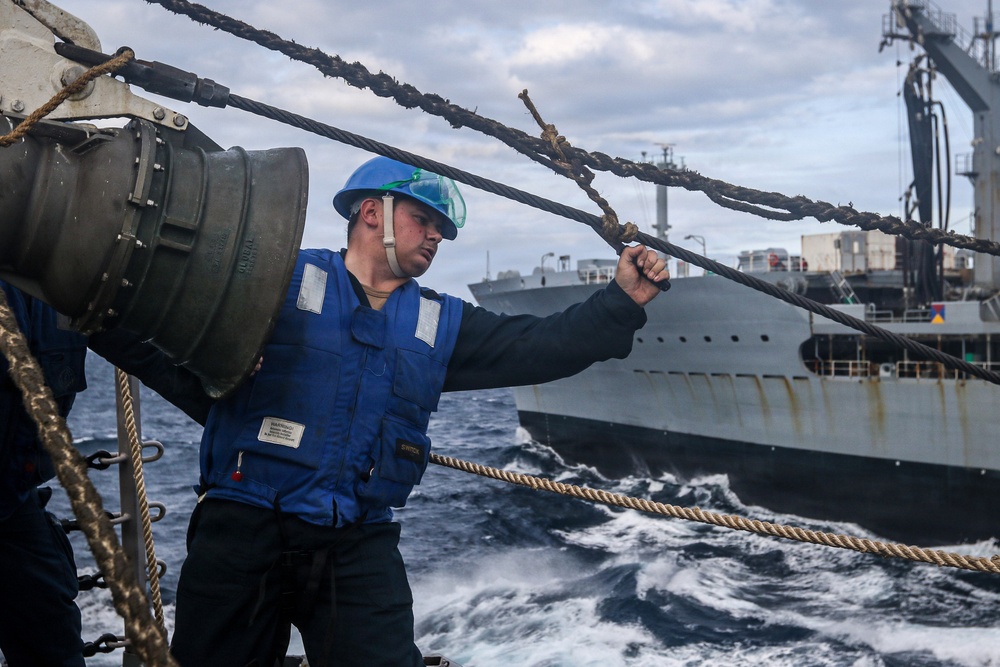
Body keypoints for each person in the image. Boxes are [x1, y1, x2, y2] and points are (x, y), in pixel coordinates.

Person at [169, 156, 670, 667]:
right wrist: (216, 384)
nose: (435, 237)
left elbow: (541, 344)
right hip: (245, 524)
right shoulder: (275, 279)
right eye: (423, 220)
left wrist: (622, 299)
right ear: (370, 212)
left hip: (356, 539)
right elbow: (157, 329)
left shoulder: (439, 321)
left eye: (440, 230)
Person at [0, 280, 89, 667]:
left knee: (55, 645)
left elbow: (139, 341)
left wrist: (222, 370)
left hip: (12, 502)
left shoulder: (66, 277)